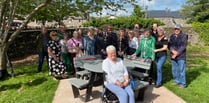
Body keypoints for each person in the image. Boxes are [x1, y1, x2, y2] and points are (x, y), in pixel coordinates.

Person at [168, 24, 188, 89]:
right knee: (174, 69)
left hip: (181, 56)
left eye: (178, 29)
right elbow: (170, 45)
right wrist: (172, 51)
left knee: (181, 70)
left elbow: (183, 46)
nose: (176, 30)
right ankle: (176, 81)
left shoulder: (184, 36)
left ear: (180, 29)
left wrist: (176, 53)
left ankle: (183, 84)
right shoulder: (172, 36)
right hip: (173, 55)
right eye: (175, 29)